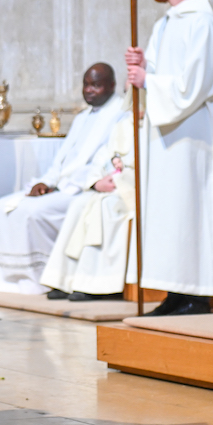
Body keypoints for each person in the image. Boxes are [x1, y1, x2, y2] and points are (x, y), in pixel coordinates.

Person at [125, 0, 213, 316]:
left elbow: (193, 86)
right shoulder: (166, 23)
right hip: (167, 136)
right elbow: (160, 76)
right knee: (170, 215)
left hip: (193, 138)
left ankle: (195, 296)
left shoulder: (202, 23)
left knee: (190, 211)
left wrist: (147, 81)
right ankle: (175, 292)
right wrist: (143, 68)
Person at [0, 64, 122, 295]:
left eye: (96, 85)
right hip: (61, 186)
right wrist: (47, 182)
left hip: (82, 189)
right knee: (1, 207)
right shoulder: (82, 118)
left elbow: (105, 161)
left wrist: (65, 185)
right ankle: (8, 281)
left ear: (112, 86)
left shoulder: (119, 115)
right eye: (86, 84)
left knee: (33, 213)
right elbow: (61, 160)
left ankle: (44, 278)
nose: (89, 90)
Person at [40, 104, 136, 300]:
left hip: (131, 190)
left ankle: (100, 285)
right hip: (111, 185)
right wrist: (96, 181)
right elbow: (103, 157)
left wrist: (119, 178)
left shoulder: (152, 127)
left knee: (105, 207)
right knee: (78, 205)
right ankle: (65, 279)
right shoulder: (123, 125)